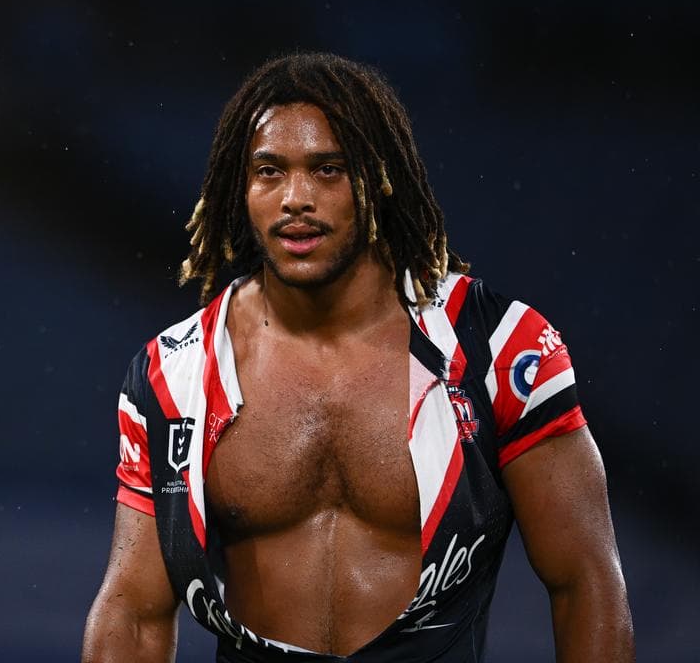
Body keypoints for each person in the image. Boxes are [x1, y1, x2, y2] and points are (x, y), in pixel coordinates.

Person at [82, 53, 633, 662]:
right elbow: (133, 613)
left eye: (328, 170)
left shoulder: (500, 347)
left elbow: (585, 581)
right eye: (269, 172)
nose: (296, 198)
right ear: (240, 189)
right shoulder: (172, 375)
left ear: (377, 179)